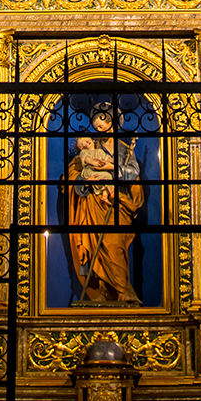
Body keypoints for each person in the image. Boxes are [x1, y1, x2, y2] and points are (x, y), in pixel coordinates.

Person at [65, 104, 144, 306]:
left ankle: (122, 290)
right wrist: (84, 181)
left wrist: (113, 168)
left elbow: (133, 174)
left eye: (104, 124)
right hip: (93, 203)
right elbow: (74, 174)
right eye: (97, 126)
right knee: (94, 248)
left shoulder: (125, 150)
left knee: (114, 245)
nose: (101, 129)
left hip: (117, 203)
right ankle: (100, 292)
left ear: (114, 123)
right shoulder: (90, 146)